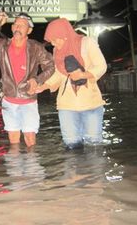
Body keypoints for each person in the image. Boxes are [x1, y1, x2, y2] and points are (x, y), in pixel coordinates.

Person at [35, 18, 107, 149]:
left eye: (56, 39)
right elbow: (59, 73)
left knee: (94, 145)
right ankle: (74, 170)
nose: (54, 44)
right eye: (51, 41)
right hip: (67, 106)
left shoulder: (87, 43)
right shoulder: (57, 51)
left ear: (65, 35)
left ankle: (94, 170)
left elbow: (101, 66)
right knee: (71, 145)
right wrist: (45, 85)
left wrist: (83, 75)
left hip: (91, 104)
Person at [0, 12, 55, 148]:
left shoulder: (36, 47)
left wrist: (38, 80)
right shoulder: (2, 45)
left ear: (29, 30)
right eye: (15, 24)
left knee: (30, 139)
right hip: (8, 100)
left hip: (28, 100)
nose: (17, 27)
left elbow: (50, 65)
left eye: (22, 25)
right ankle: (15, 169)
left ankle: (32, 168)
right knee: (13, 141)